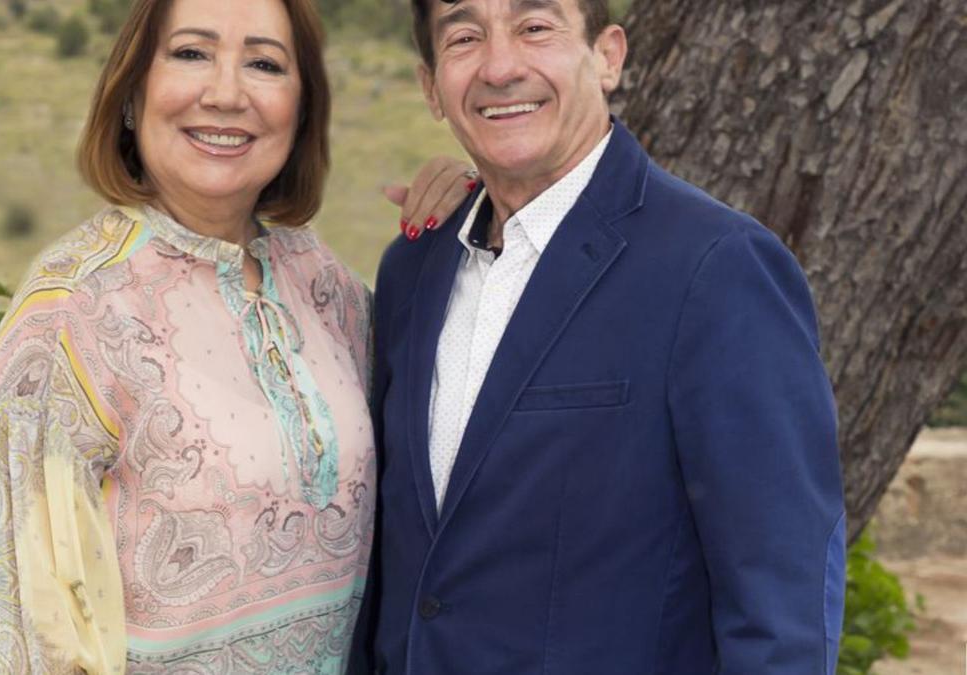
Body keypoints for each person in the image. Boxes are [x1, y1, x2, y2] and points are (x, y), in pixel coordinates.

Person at [0, 0, 468, 672]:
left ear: (301, 110)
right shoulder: (68, 319)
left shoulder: (324, 287)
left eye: (264, 63)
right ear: (132, 95)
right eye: (192, 53)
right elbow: (40, 646)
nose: (227, 94)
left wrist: (479, 213)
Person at [362, 0, 847, 673]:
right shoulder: (413, 269)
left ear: (608, 56)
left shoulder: (718, 268)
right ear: (432, 86)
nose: (501, 66)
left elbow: (781, 604)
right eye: (466, 37)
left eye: (536, 27)